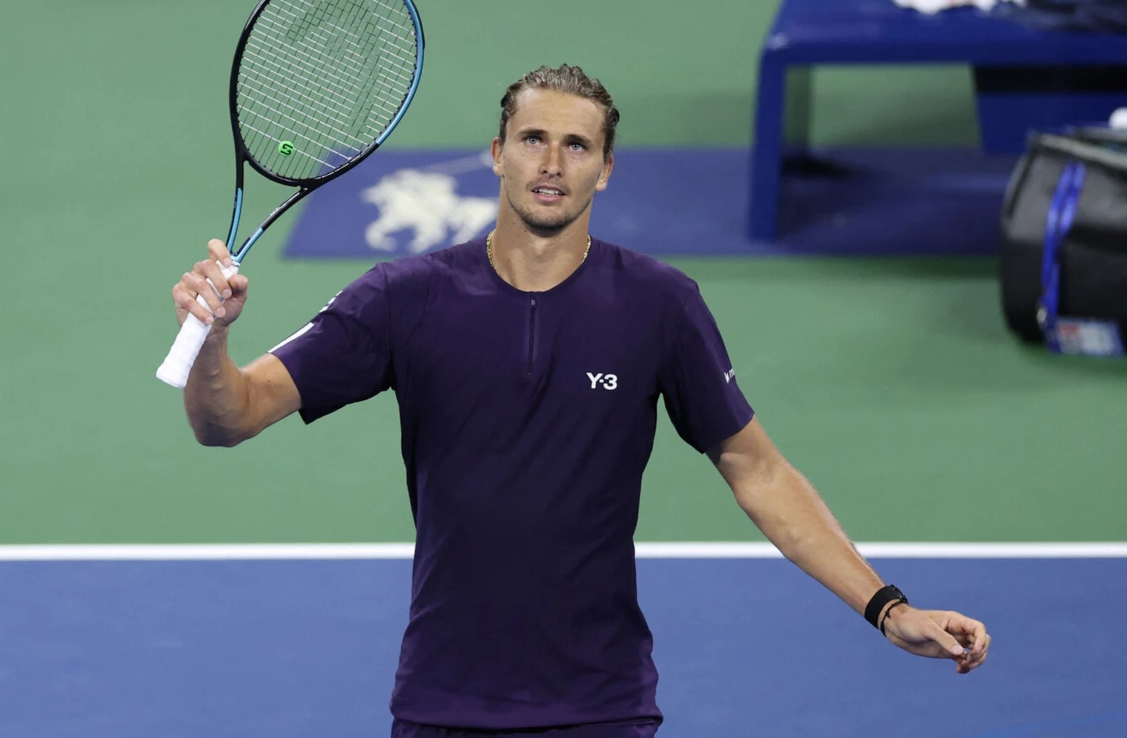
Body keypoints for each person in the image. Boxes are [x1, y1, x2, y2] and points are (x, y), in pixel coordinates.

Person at [171, 64, 991, 737]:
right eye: (533, 139)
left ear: (606, 167)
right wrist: (212, 342)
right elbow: (229, 417)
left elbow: (758, 469)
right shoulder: (403, 298)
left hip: (601, 704)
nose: (552, 163)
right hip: (443, 702)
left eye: (576, 145)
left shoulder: (658, 306)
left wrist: (888, 609)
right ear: (497, 154)